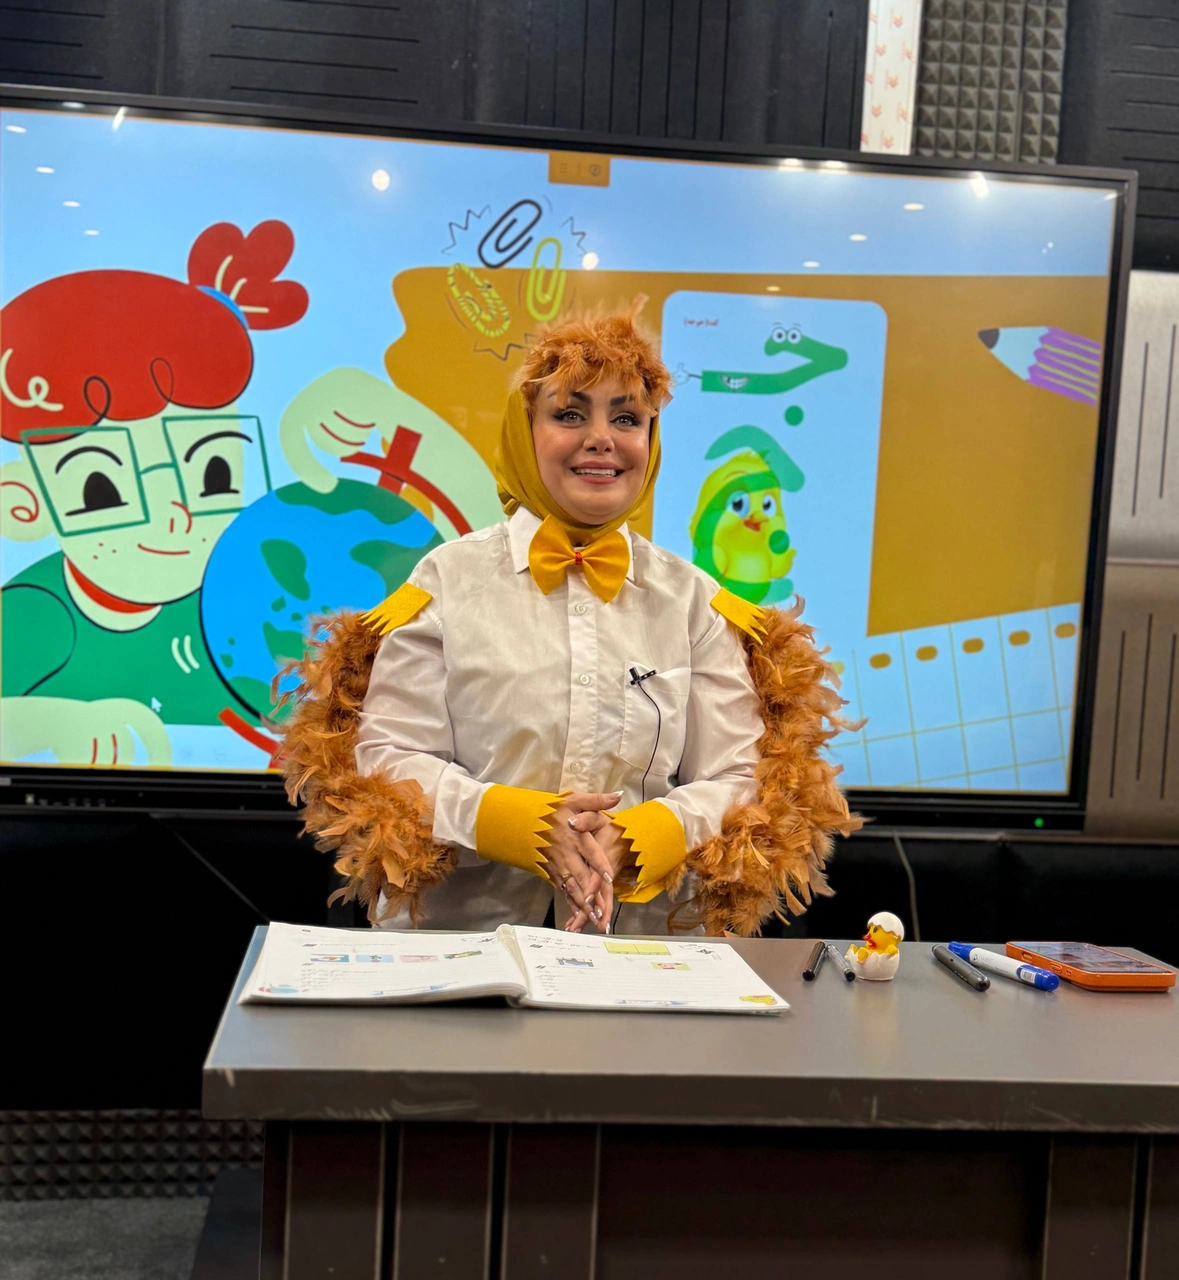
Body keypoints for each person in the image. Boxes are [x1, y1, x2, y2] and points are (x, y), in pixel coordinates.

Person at [280, 311, 860, 936]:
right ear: (524, 432)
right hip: (462, 943)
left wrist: (648, 834)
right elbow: (387, 755)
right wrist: (508, 822)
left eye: (627, 419)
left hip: (645, 951)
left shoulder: (694, 599)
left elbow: (741, 776)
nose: (602, 439)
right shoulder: (444, 580)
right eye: (570, 414)